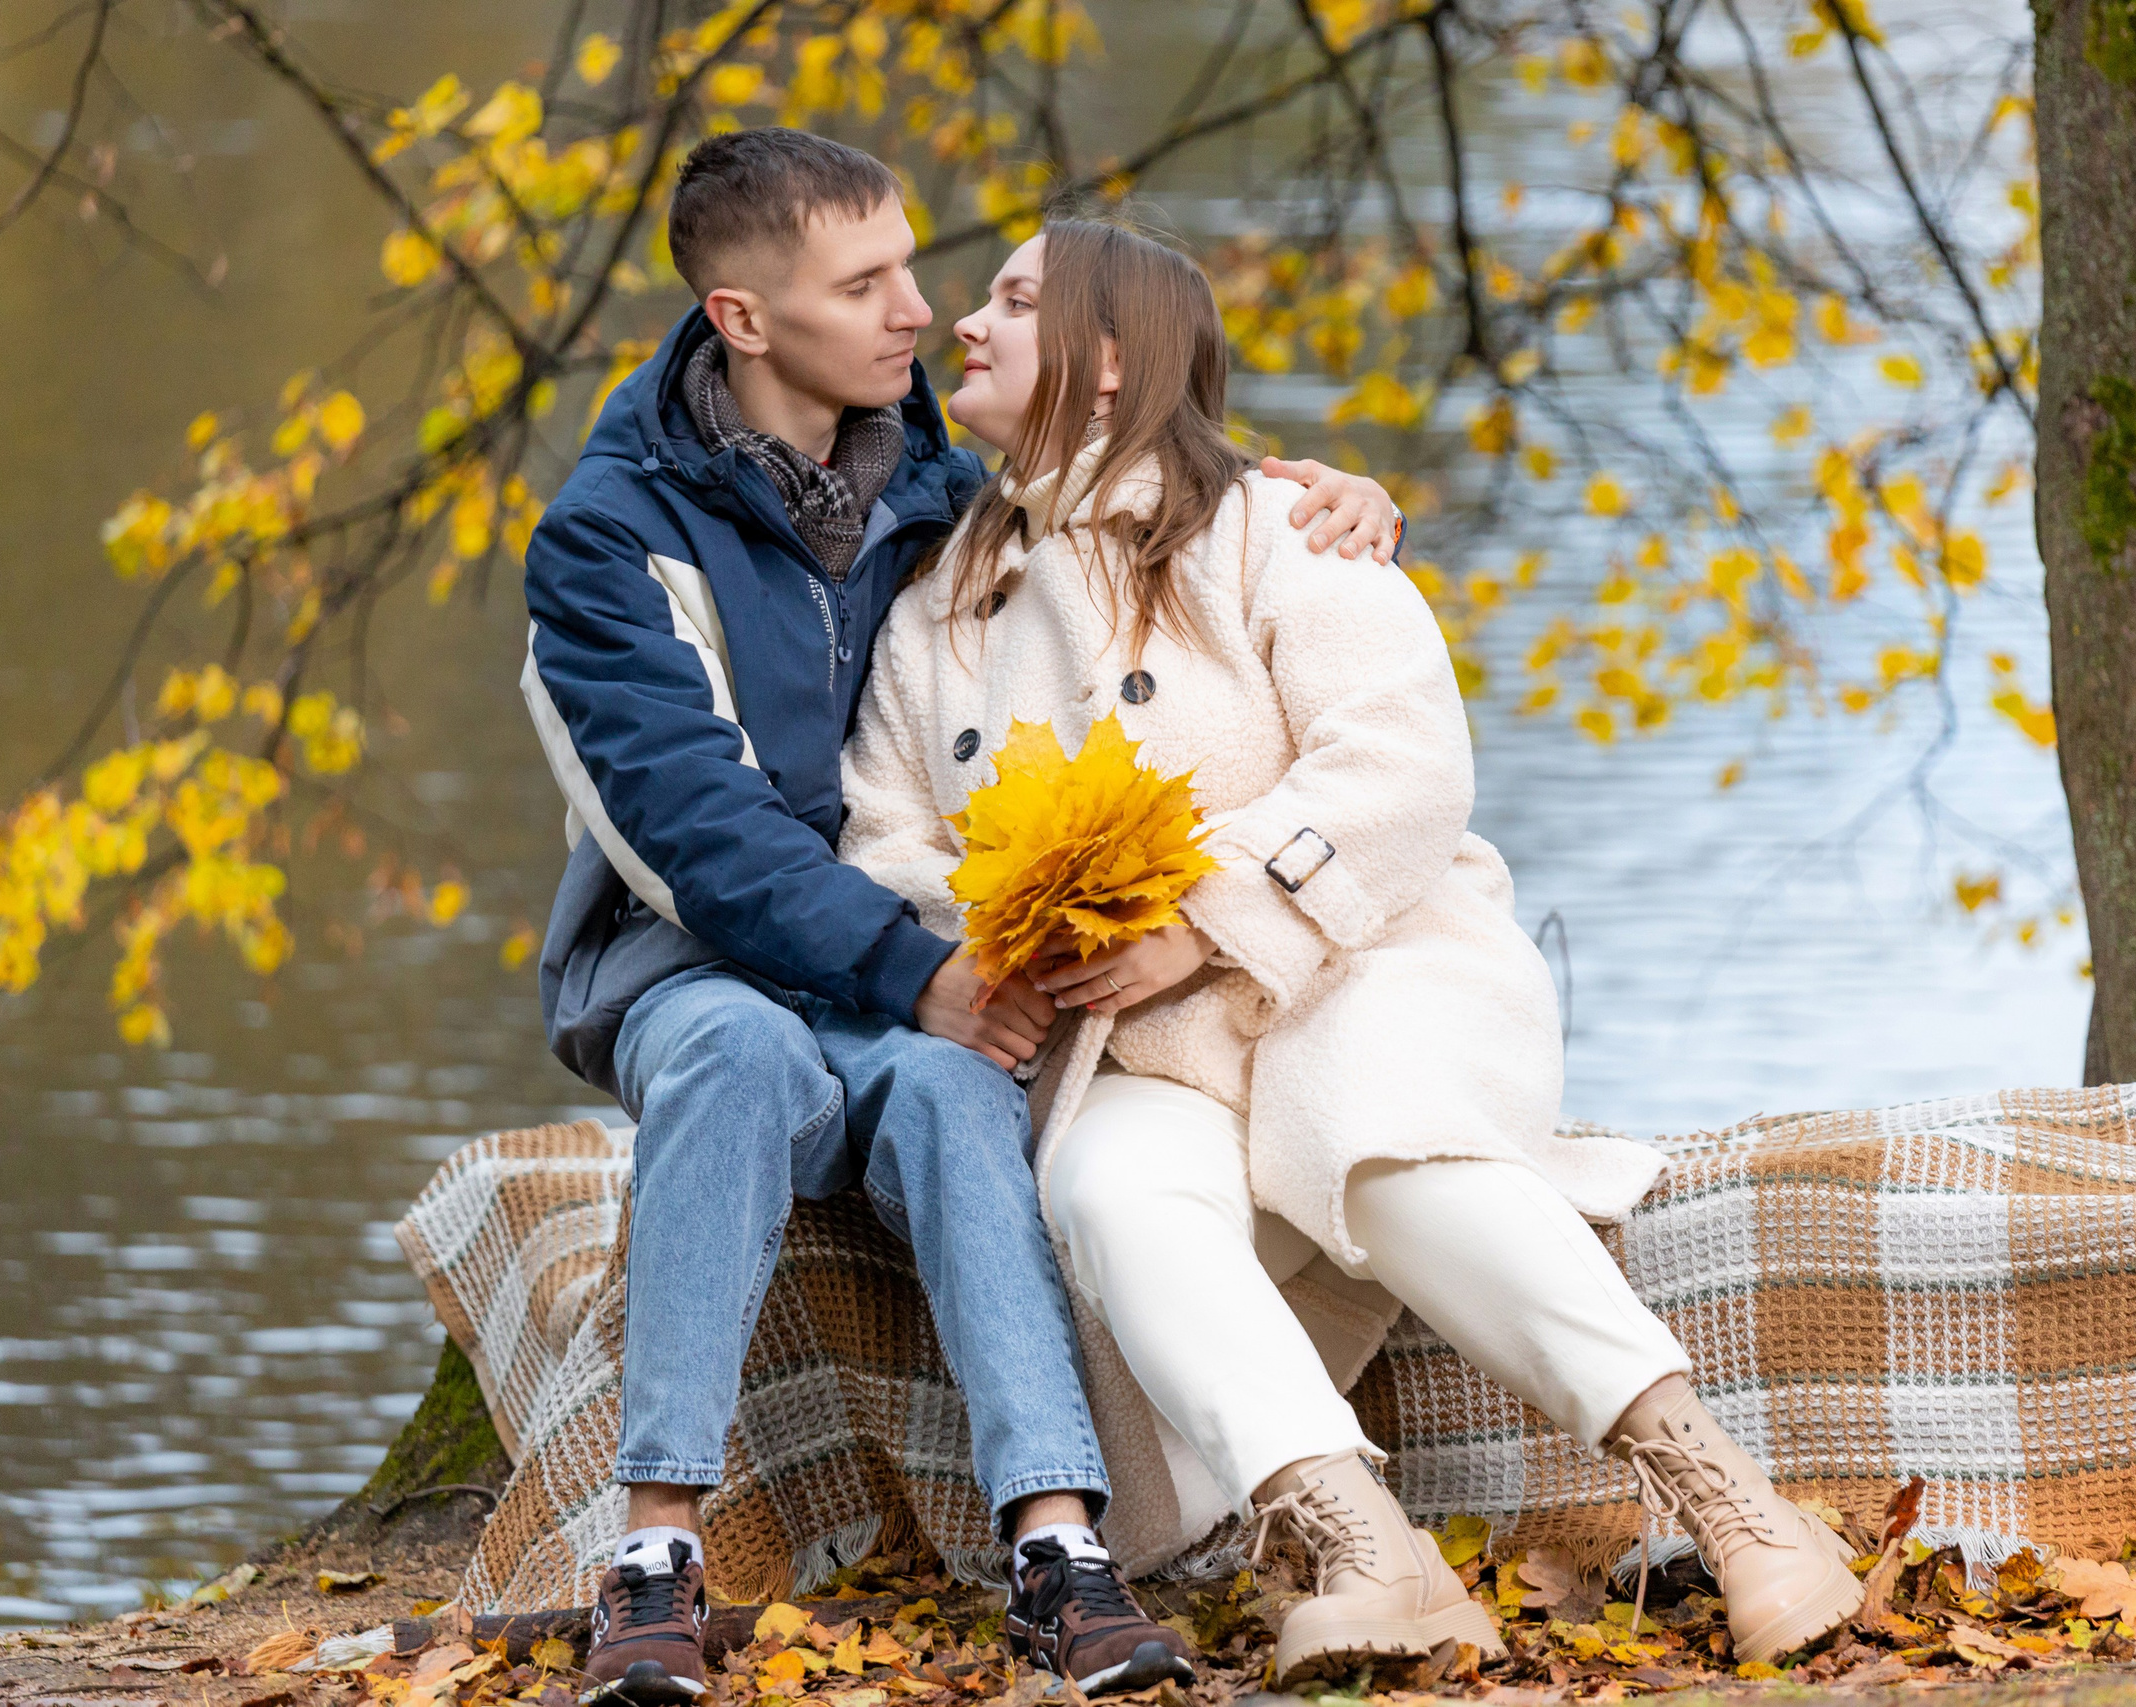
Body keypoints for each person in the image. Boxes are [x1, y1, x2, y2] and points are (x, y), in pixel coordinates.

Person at [837, 218, 1866, 1682]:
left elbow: (1399, 762)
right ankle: (1359, 1544)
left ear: (1114, 358)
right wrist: (1014, 926)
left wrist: (1201, 918)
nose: (964, 328)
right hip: (1128, 1038)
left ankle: (1734, 1501)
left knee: (1381, 1142)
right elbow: (882, 836)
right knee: (1103, 1184)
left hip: (1350, 967)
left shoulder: (1275, 524)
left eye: (1014, 300)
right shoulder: (938, 606)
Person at [520, 132, 1399, 1704]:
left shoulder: (934, 487)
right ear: (741, 317)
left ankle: (1059, 1551)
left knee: (945, 1093)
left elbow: (1135, 478)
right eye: (863, 285)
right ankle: (653, 1559)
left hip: (890, 1000)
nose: (914, 310)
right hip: (697, 969)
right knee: (729, 1048)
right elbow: (697, 837)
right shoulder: (610, 537)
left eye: (913, 266)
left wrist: (1321, 495)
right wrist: (921, 971)